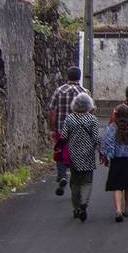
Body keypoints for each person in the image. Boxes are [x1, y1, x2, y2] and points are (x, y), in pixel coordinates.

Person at [60, 92, 101, 222]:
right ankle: (84, 203)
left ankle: (76, 207)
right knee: (87, 181)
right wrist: (101, 151)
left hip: (73, 154)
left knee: (75, 182)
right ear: (89, 105)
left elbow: (64, 137)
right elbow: (96, 138)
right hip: (88, 154)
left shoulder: (69, 118)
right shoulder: (92, 119)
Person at [101, 104, 128, 222]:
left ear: (116, 115)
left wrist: (107, 156)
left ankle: (118, 210)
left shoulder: (111, 128)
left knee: (117, 186)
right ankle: (127, 208)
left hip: (116, 160)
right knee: (127, 186)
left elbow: (107, 143)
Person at [47, 67, 87, 196]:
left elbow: (52, 111)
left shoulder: (59, 91)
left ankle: (63, 175)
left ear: (67, 77)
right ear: (79, 77)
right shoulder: (84, 93)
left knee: (60, 152)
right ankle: (76, 181)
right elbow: (90, 112)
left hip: (62, 128)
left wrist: (53, 127)